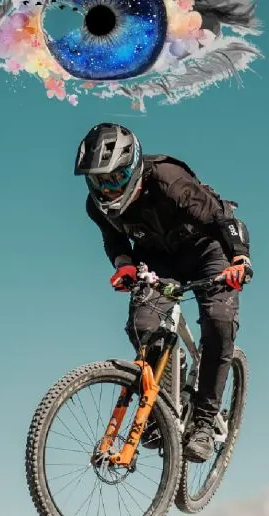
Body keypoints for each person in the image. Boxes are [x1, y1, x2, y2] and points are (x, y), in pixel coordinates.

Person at [74, 122, 253, 463]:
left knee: (218, 322)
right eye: (98, 181)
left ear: (134, 166)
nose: (107, 190)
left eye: (115, 179)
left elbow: (223, 219)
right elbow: (114, 239)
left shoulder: (170, 182)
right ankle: (164, 401)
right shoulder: (95, 206)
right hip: (158, 257)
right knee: (142, 327)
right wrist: (123, 263)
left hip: (208, 251)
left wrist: (240, 259)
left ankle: (203, 422)